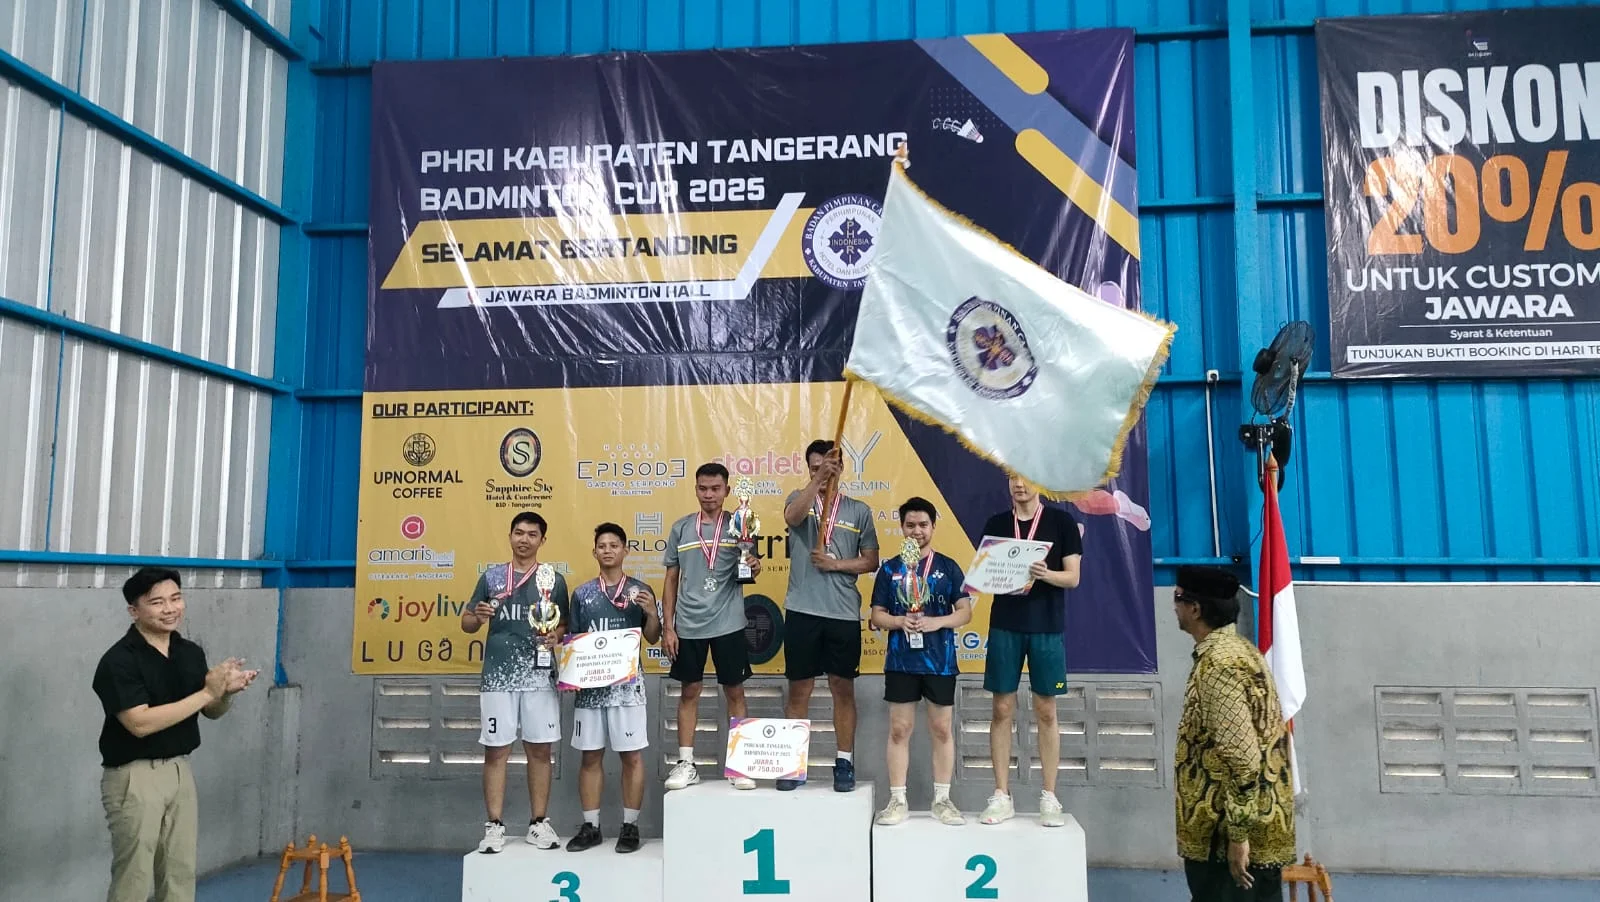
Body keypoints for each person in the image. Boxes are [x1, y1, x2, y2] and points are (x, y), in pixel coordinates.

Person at [92, 567, 259, 902]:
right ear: (134, 611)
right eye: (157, 602)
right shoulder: (118, 661)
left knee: (179, 871)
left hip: (180, 772)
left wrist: (225, 693)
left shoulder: (189, 652)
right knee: (134, 876)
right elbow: (139, 724)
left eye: (176, 598)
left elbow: (210, 711)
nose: (170, 609)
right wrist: (208, 692)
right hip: (134, 776)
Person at [1173, 565, 1296, 901]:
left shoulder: (1219, 664)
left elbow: (1241, 758)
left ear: (1195, 609)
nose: (1174, 606)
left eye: (1178, 598)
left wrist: (1238, 836)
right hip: (1255, 825)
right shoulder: (1242, 651)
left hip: (1225, 837)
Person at [461, 511, 570, 854]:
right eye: (519, 533)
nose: (524, 539)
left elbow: (563, 625)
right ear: (510, 536)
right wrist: (478, 617)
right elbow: (467, 622)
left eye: (532, 534)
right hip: (498, 678)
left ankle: (538, 823)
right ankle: (494, 826)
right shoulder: (492, 577)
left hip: (539, 677)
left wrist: (556, 636)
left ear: (542, 540)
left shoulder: (553, 580)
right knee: (497, 750)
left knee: (540, 750)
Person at [777, 439, 880, 792]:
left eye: (829, 467)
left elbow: (871, 560)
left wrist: (836, 565)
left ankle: (844, 762)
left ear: (841, 468)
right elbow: (792, 518)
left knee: (842, 689)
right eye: (814, 467)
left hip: (843, 613)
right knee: (799, 690)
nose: (822, 473)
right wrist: (818, 480)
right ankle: (792, 764)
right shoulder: (799, 499)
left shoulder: (859, 510)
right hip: (802, 610)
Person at [979, 474, 1082, 826]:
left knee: (1046, 711)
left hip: (1046, 626)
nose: (1018, 484)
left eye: (1025, 477)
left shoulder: (1061, 522)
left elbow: (1073, 577)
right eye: (1012, 477)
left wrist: (1044, 574)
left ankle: (1049, 796)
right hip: (1005, 624)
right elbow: (985, 573)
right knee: (1001, 708)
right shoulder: (996, 524)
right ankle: (1001, 794)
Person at [868, 497, 972, 826]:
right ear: (901, 527)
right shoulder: (890, 569)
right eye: (910, 525)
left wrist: (935, 623)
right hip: (901, 661)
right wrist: (900, 621)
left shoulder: (948, 567)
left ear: (933, 527)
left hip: (940, 661)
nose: (917, 531)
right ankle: (897, 800)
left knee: (941, 729)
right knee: (900, 730)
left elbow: (965, 612)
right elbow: (876, 615)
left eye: (923, 525)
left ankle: (942, 800)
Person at [662, 462, 763, 791]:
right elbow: (671, 579)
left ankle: (740, 764)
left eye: (715, 489)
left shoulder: (741, 524)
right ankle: (687, 763)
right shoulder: (681, 528)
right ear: (695, 489)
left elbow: (751, 567)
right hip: (689, 624)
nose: (709, 495)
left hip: (728, 622)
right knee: (689, 691)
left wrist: (754, 565)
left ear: (727, 491)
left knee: (735, 691)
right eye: (703, 488)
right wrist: (668, 627)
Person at [564, 522, 663, 854]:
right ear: (594, 552)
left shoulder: (640, 590)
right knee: (590, 755)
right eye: (602, 546)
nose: (607, 550)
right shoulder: (582, 594)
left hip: (627, 689)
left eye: (614, 545)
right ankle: (591, 826)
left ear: (625, 550)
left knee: (631, 756)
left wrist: (651, 613)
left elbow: (652, 637)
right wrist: (571, 676)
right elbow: (574, 641)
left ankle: (630, 827)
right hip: (590, 691)